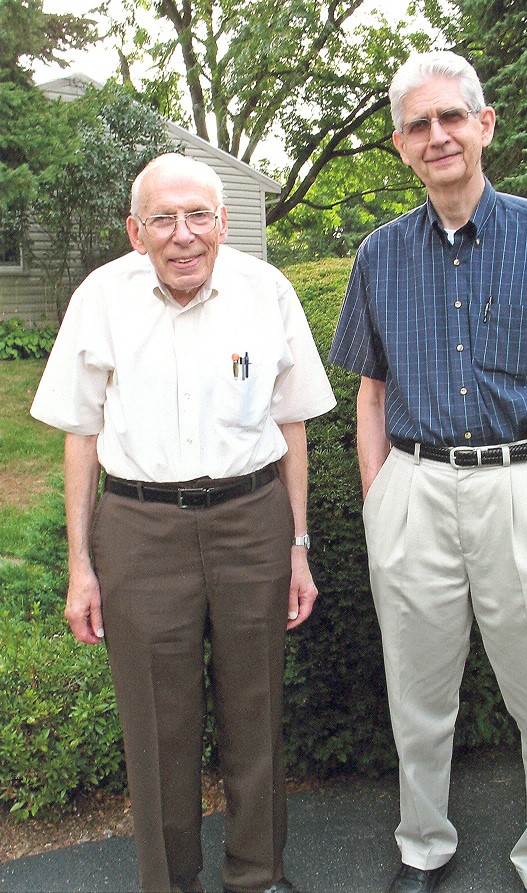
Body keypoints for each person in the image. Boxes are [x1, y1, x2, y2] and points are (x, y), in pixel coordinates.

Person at [31, 152, 336, 893]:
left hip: (252, 521)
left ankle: (257, 874)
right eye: (163, 219)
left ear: (224, 223)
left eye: (199, 215)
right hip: (140, 528)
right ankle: (170, 884)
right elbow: (80, 433)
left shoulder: (266, 292)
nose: (184, 235)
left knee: (255, 712)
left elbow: (292, 425)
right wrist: (82, 564)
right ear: (137, 231)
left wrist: (298, 546)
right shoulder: (101, 297)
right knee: (157, 730)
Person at [329, 50, 527, 893]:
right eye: (418, 125)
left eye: (452, 117)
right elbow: (370, 392)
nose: (437, 135)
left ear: (484, 125)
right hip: (413, 490)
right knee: (417, 692)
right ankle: (424, 845)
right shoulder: (377, 256)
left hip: (526, 487)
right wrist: (380, 499)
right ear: (401, 146)